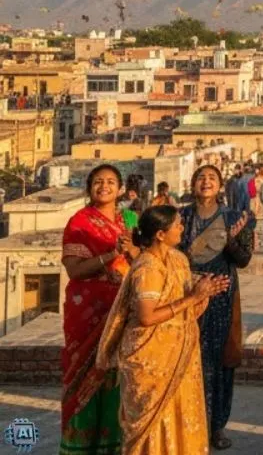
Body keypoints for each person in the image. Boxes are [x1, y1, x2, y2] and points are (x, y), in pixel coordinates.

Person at [96, 205, 231, 454]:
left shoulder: (177, 259)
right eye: (177, 224)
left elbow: (183, 300)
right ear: (160, 233)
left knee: (180, 416)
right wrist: (194, 297)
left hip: (177, 355)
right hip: (150, 362)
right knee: (151, 430)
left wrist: (206, 290)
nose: (182, 227)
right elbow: (147, 317)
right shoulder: (147, 269)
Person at [59, 164, 138, 454]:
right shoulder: (79, 222)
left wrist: (133, 252)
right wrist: (111, 255)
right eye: (98, 182)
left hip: (123, 310)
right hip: (88, 312)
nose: (104, 186)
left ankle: (115, 445)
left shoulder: (130, 220)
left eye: (110, 182)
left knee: (119, 378)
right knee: (83, 375)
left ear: (120, 189)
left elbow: (143, 260)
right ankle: (81, 446)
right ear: (90, 187)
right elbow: (74, 269)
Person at [178, 165, 254, 451]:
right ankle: (188, 423)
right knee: (188, 360)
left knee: (220, 363)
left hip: (222, 296)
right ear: (192, 184)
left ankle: (216, 426)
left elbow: (244, 260)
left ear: (220, 185)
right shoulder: (180, 217)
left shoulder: (235, 217)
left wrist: (230, 241)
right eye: (201, 177)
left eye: (212, 177)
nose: (206, 181)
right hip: (187, 296)